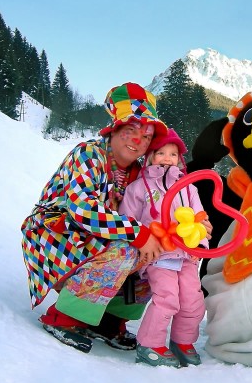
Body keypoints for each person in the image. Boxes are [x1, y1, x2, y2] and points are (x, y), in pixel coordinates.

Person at [20, 82, 167, 353]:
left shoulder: (142, 171)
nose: (138, 141)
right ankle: (64, 317)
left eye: (146, 136)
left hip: (95, 241)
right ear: (114, 130)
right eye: (130, 130)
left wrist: (190, 224)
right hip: (57, 236)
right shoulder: (88, 154)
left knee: (153, 253)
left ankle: (108, 321)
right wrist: (139, 233)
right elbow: (82, 209)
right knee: (126, 250)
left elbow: (164, 205)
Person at [119, 128, 211, 367]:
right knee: (168, 298)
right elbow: (127, 220)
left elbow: (200, 219)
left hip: (186, 256)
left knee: (193, 301)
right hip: (158, 255)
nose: (167, 158)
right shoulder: (138, 188)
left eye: (172, 154)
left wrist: (199, 243)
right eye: (160, 153)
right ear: (150, 157)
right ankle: (149, 344)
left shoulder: (189, 188)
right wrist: (139, 244)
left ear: (179, 159)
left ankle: (182, 341)